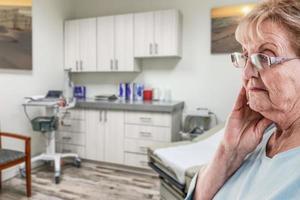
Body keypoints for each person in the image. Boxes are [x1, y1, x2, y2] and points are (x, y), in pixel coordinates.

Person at [185, 0, 300, 199]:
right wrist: (228, 152)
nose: (247, 73)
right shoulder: (261, 136)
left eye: (264, 57)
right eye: (245, 57)